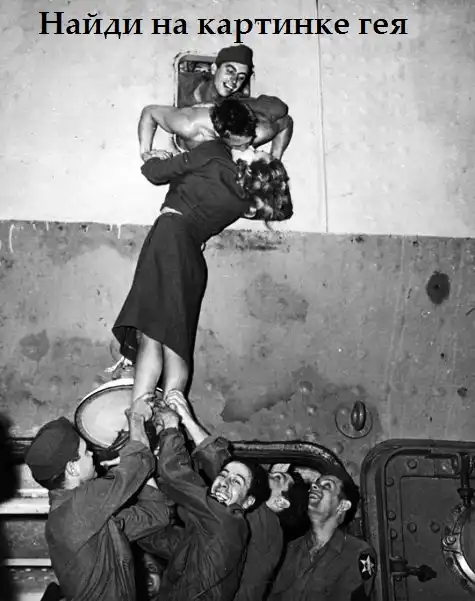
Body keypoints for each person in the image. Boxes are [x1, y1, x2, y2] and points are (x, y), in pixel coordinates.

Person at [113, 98, 293, 407]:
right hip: (191, 257)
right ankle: (173, 411)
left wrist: (152, 156)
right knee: (175, 341)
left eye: (258, 154)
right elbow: (281, 208)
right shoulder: (244, 200)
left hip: (170, 238)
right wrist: (272, 163)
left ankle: (139, 414)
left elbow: (156, 173)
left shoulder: (213, 154)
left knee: (153, 334)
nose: (255, 149)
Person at [163, 390, 310, 601]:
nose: (266, 476)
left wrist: (185, 420)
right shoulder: (255, 524)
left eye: (276, 478)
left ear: (280, 502)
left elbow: (221, 465)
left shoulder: (267, 525)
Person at [24, 396, 170, 601]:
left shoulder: (84, 519)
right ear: (72, 468)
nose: (92, 454)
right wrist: (136, 417)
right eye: (85, 452)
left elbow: (156, 515)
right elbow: (139, 461)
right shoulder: (77, 508)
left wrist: (139, 463)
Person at [138, 404, 270, 600]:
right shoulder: (205, 529)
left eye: (236, 482)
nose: (224, 483)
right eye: (223, 475)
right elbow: (165, 541)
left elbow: (176, 475)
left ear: (248, 502)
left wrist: (171, 426)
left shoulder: (226, 523)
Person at [268, 471, 377, 601]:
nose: (314, 486)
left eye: (327, 486)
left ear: (343, 505)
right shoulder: (289, 549)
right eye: (315, 484)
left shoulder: (358, 552)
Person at [175, 44, 294, 159]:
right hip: (183, 153)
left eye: (241, 77)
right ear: (214, 69)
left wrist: (219, 106)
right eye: (230, 71)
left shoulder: (234, 99)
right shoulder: (182, 82)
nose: (234, 81)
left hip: (214, 155)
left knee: (267, 127)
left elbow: (280, 110)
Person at [139, 97, 293, 162]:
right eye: (239, 145)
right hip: (192, 135)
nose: (247, 148)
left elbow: (286, 122)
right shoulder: (188, 124)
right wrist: (145, 152)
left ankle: (243, 102)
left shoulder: (260, 131)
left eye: (248, 142)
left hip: (240, 109)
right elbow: (150, 111)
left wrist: (275, 159)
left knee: (280, 109)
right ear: (221, 135)